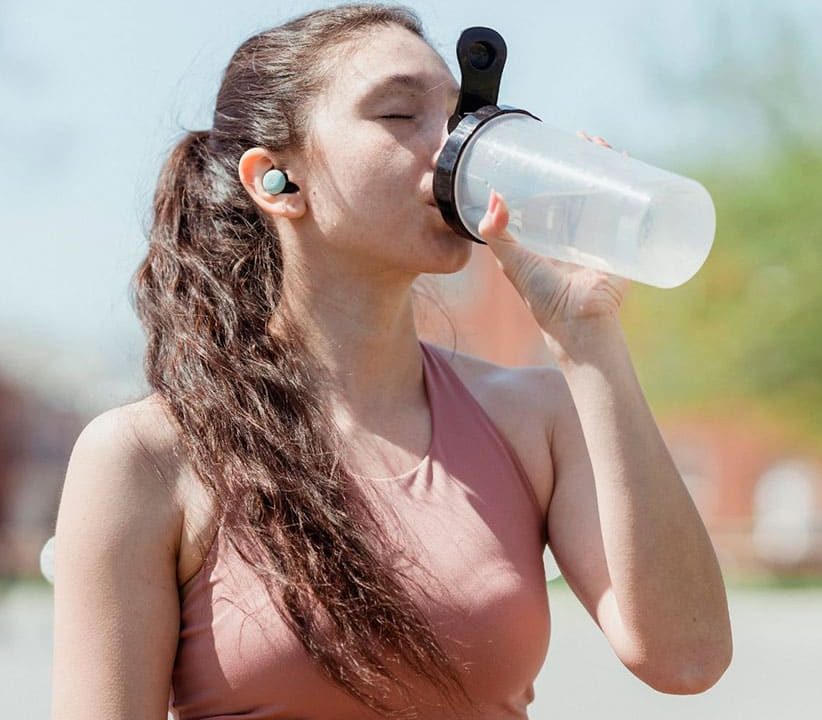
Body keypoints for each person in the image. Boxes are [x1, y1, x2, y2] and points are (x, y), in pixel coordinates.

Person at [49, 4, 732, 718]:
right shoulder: (146, 457)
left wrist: (590, 338)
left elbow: (687, 656)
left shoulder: (536, 417)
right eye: (401, 116)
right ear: (276, 179)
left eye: (461, 112)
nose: (455, 146)